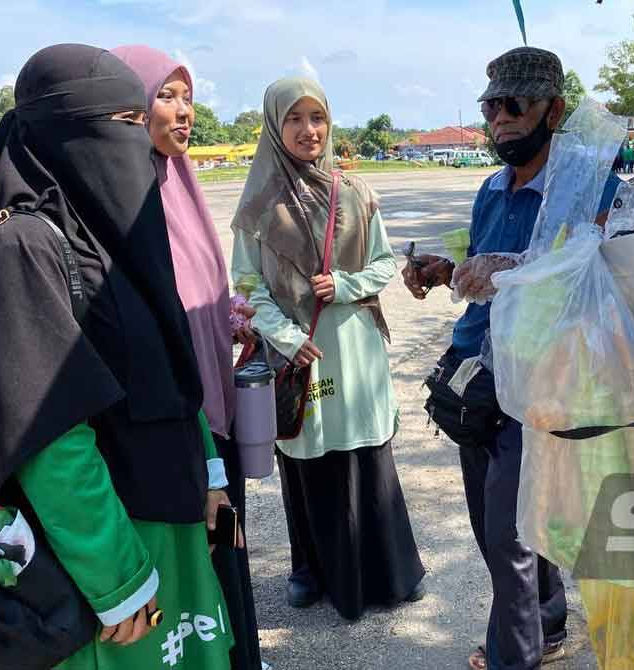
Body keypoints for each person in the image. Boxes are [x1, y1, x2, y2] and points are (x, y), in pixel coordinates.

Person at [0, 44, 235, 669]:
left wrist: (210, 475)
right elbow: (50, 435)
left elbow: (171, 367)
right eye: (124, 126)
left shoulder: (116, 236)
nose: (138, 147)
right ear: (66, 135)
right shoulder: (24, 250)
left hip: (172, 518)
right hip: (108, 559)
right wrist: (117, 580)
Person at [402, 47, 621, 670]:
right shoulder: (491, 189)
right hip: (478, 378)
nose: (499, 117)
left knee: (508, 537)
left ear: (553, 111)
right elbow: (480, 276)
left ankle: (514, 656)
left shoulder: (589, 188)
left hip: (545, 381)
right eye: (491, 105)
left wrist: (519, 269)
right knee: (502, 522)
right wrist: (445, 272)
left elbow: (603, 273)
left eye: (513, 104)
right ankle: (549, 624)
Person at [229, 77, 425, 621]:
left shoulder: (357, 193)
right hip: (299, 353)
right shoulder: (259, 205)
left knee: (365, 456)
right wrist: (287, 338)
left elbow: (385, 262)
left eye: (317, 118)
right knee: (308, 458)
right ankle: (309, 569)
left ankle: (390, 570)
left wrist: (345, 284)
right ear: (274, 125)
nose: (308, 130)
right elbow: (246, 284)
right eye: (294, 118)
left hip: (355, 349)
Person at [111, 44, 263, 670]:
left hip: (215, 405)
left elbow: (200, 287)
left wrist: (227, 318)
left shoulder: (184, 185)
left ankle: (242, 654)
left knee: (228, 540)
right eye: (165, 95)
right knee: (192, 550)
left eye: (188, 97)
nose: (182, 111)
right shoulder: (122, 196)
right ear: (129, 107)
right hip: (173, 417)